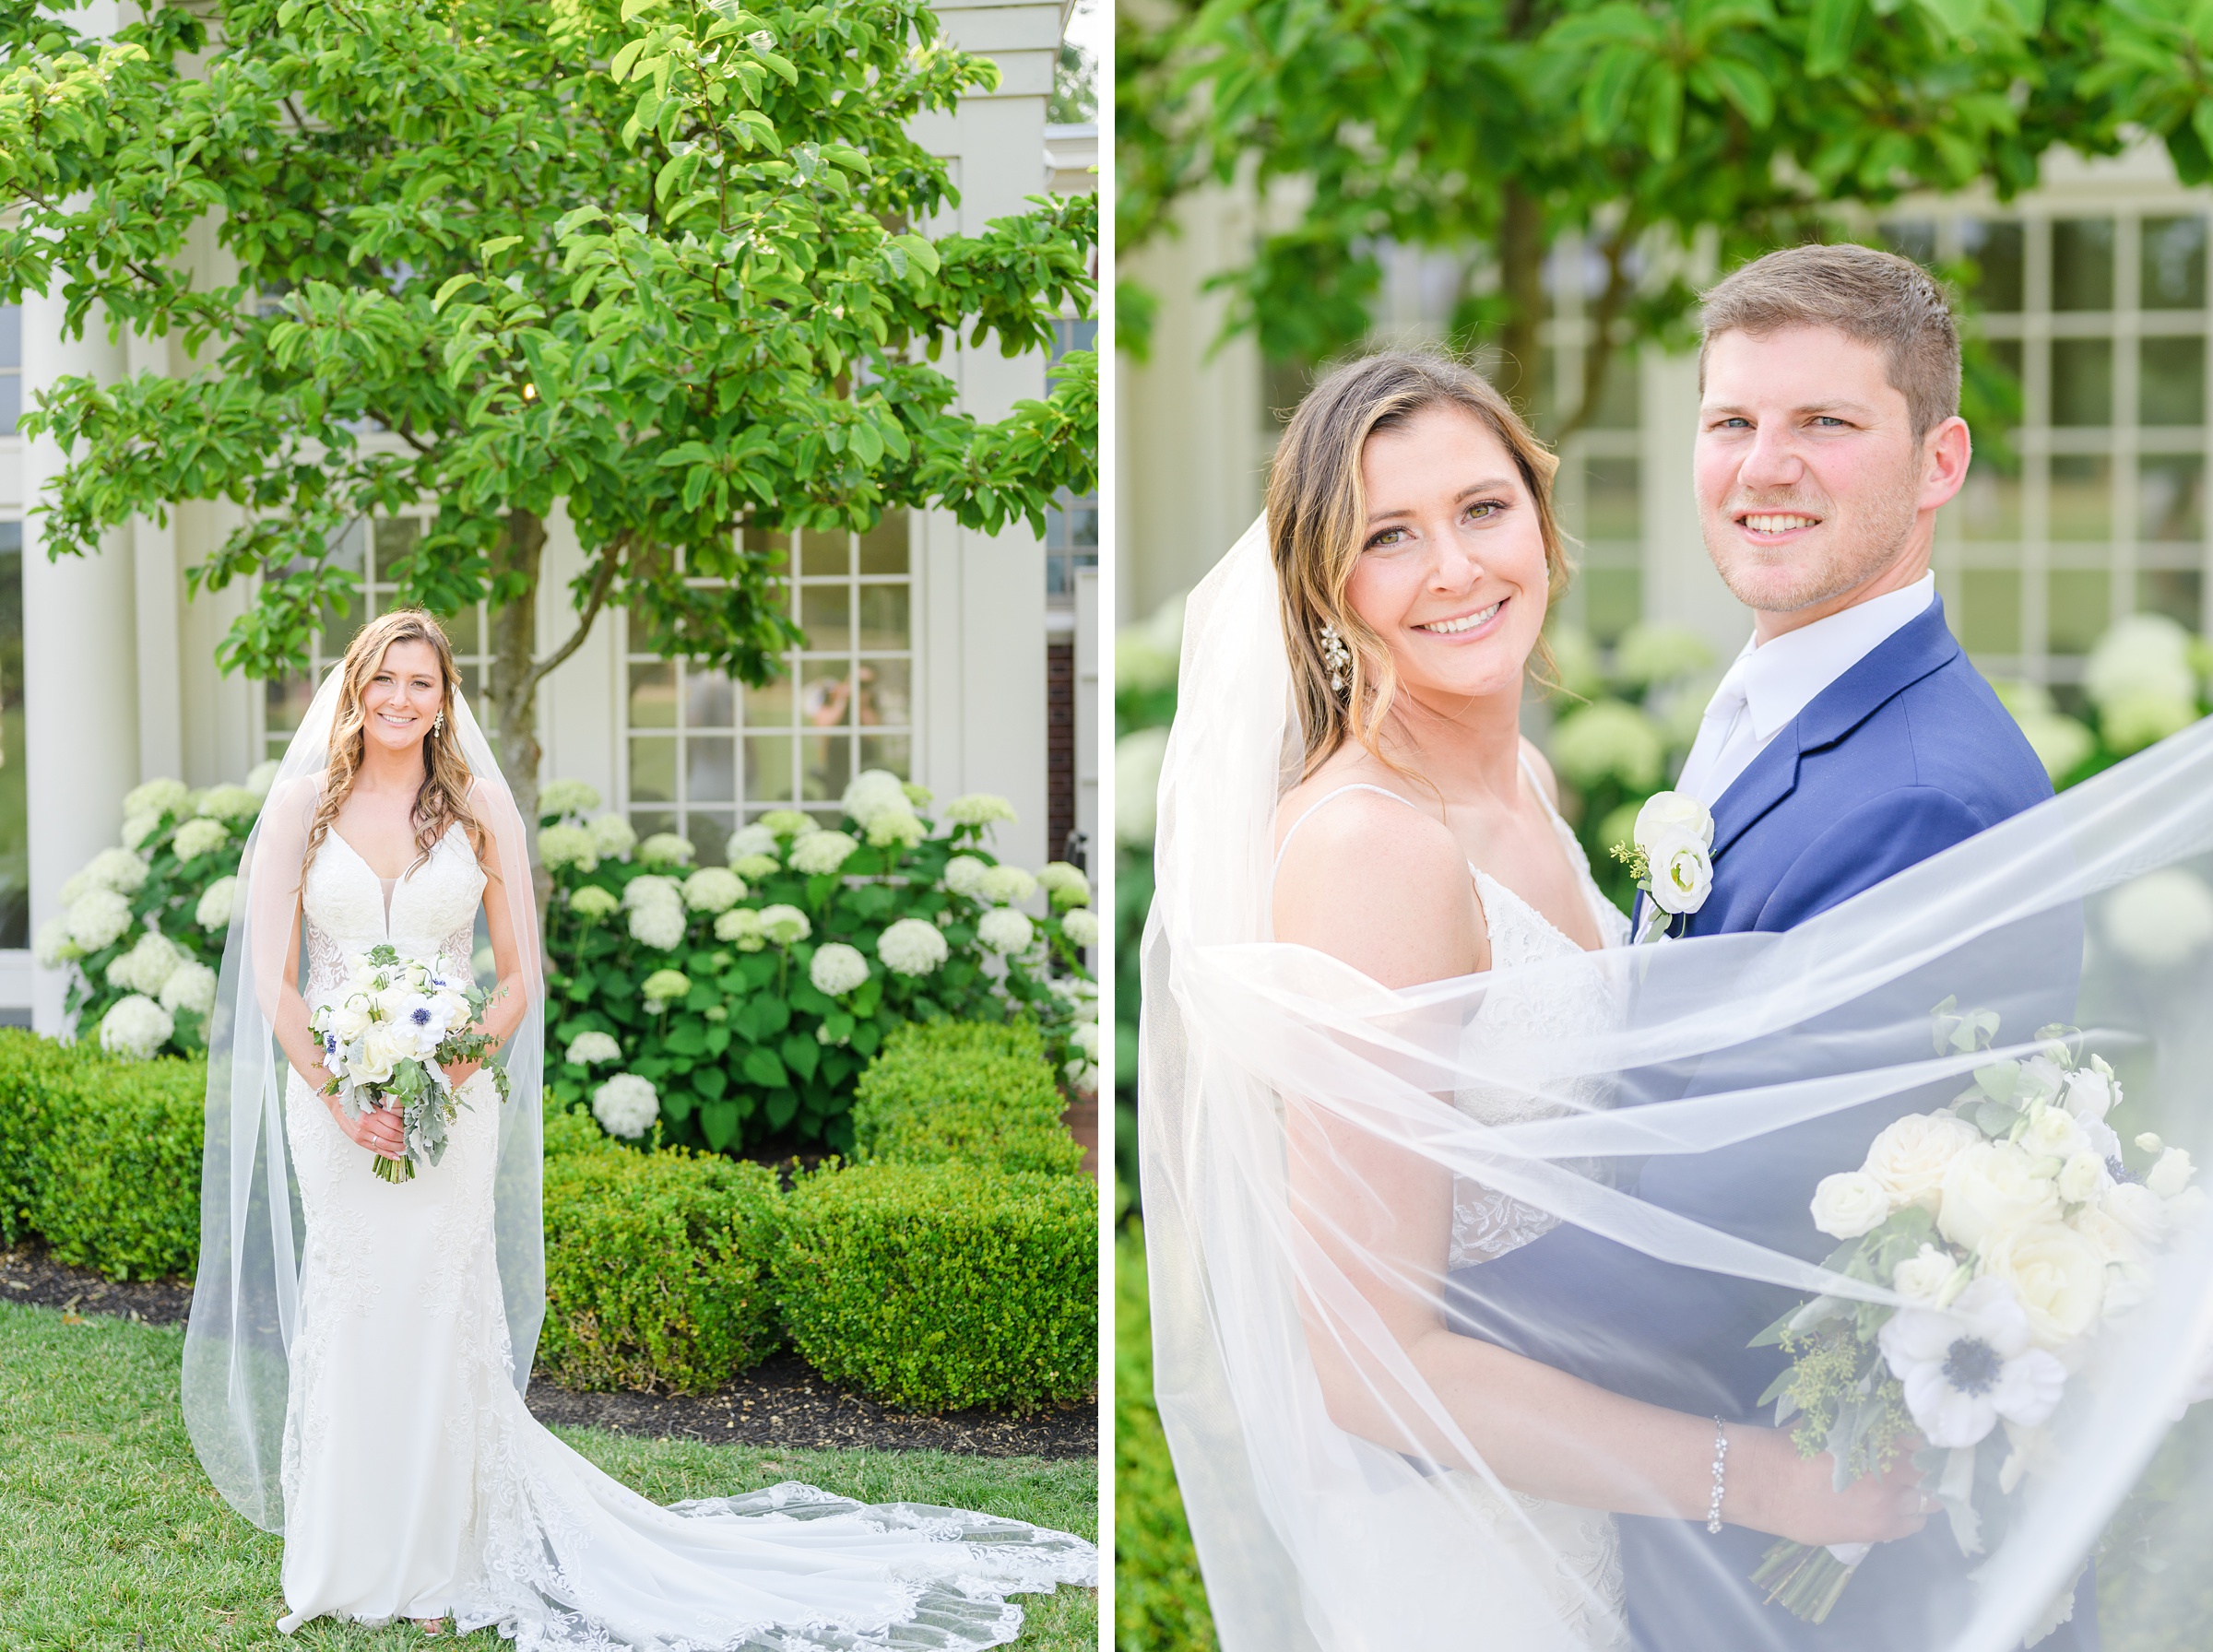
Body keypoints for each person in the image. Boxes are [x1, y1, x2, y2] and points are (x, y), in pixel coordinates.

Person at [1141, 260, 2213, 1651]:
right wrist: (1753, 1481)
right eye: (1388, 536)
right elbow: (1362, 1352)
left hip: (1628, 1513)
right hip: (1493, 1531)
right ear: (1323, 581)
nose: (1456, 569)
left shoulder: (1523, 779)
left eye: (1482, 509)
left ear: (1542, 513)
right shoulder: (1371, 850)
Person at [183, 608, 1094, 1646]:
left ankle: (440, 1555)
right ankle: (347, 1551)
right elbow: (271, 971)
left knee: (439, 1308)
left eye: (422, 683)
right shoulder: (303, 804)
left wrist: (443, 1073)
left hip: (453, 1095)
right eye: (385, 678)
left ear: (447, 700)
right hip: (334, 1102)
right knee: (353, 1300)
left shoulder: (479, 806)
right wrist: (340, 1095)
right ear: (356, 685)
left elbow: (519, 975)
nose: (401, 699)